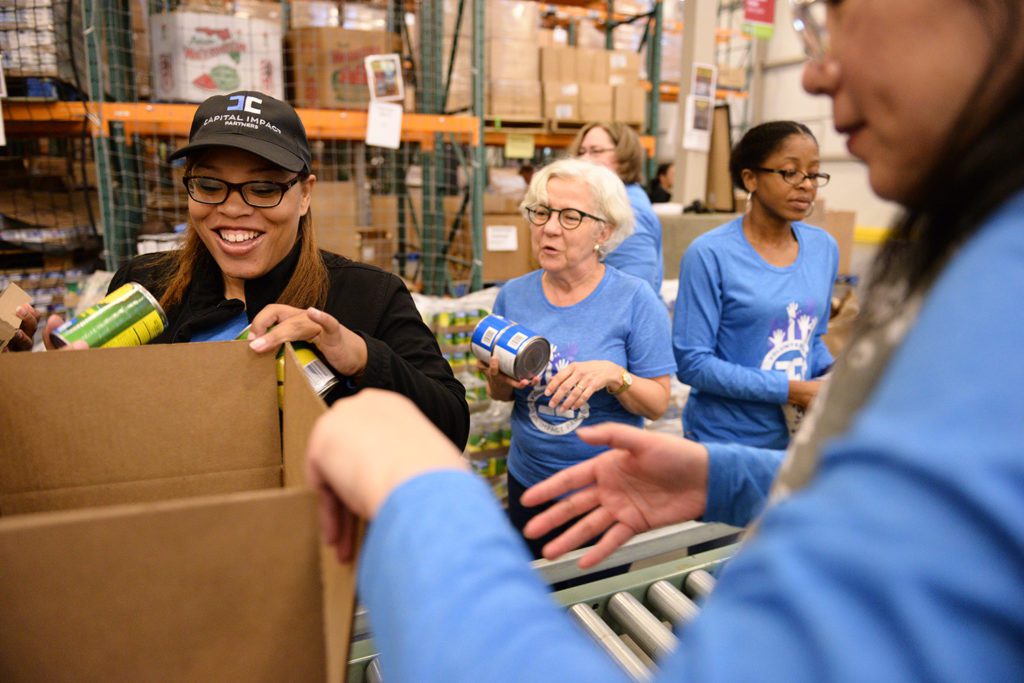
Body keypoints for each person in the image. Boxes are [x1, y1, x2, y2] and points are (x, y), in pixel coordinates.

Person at [304, 0, 1024, 680]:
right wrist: (726, 476)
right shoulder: (965, 248)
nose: (813, 70)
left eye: (835, 13)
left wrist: (412, 486)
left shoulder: (997, 305)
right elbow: (892, 514)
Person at [10, 91, 469, 448]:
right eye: (210, 185)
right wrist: (54, 384)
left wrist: (360, 354)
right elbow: (109, 431)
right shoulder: (145, 285)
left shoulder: (369, 296)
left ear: (305, 194)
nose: (232, 210)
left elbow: (451, 426)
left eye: (264, 188)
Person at [482, 158, 676, 558]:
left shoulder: (635, 300)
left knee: (599, 605)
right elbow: (500, 394)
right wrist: (500, 380)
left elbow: (657, 404)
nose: (550, 228)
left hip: (608, 492)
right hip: (529, 483)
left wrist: (614, 375)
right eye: (541, 212)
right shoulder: (513, 295)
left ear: (603, 230)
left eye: (570, 216)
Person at [673, 121, 838, 450]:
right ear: (750, 178)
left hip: (795, 441)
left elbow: (810, 338)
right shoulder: (710, 254)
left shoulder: (824, 248)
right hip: (724, 441)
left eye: (814, 173)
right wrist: (791, 389)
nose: (806, 185)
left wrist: (836, 374)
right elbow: (693, 363)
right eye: (790, 172)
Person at [570, 122, 664, 294]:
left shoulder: (628, 209)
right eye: (581, 152)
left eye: (596, 151)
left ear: (624, 157)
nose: (584, 159)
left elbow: (633, 291)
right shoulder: (610, 199)